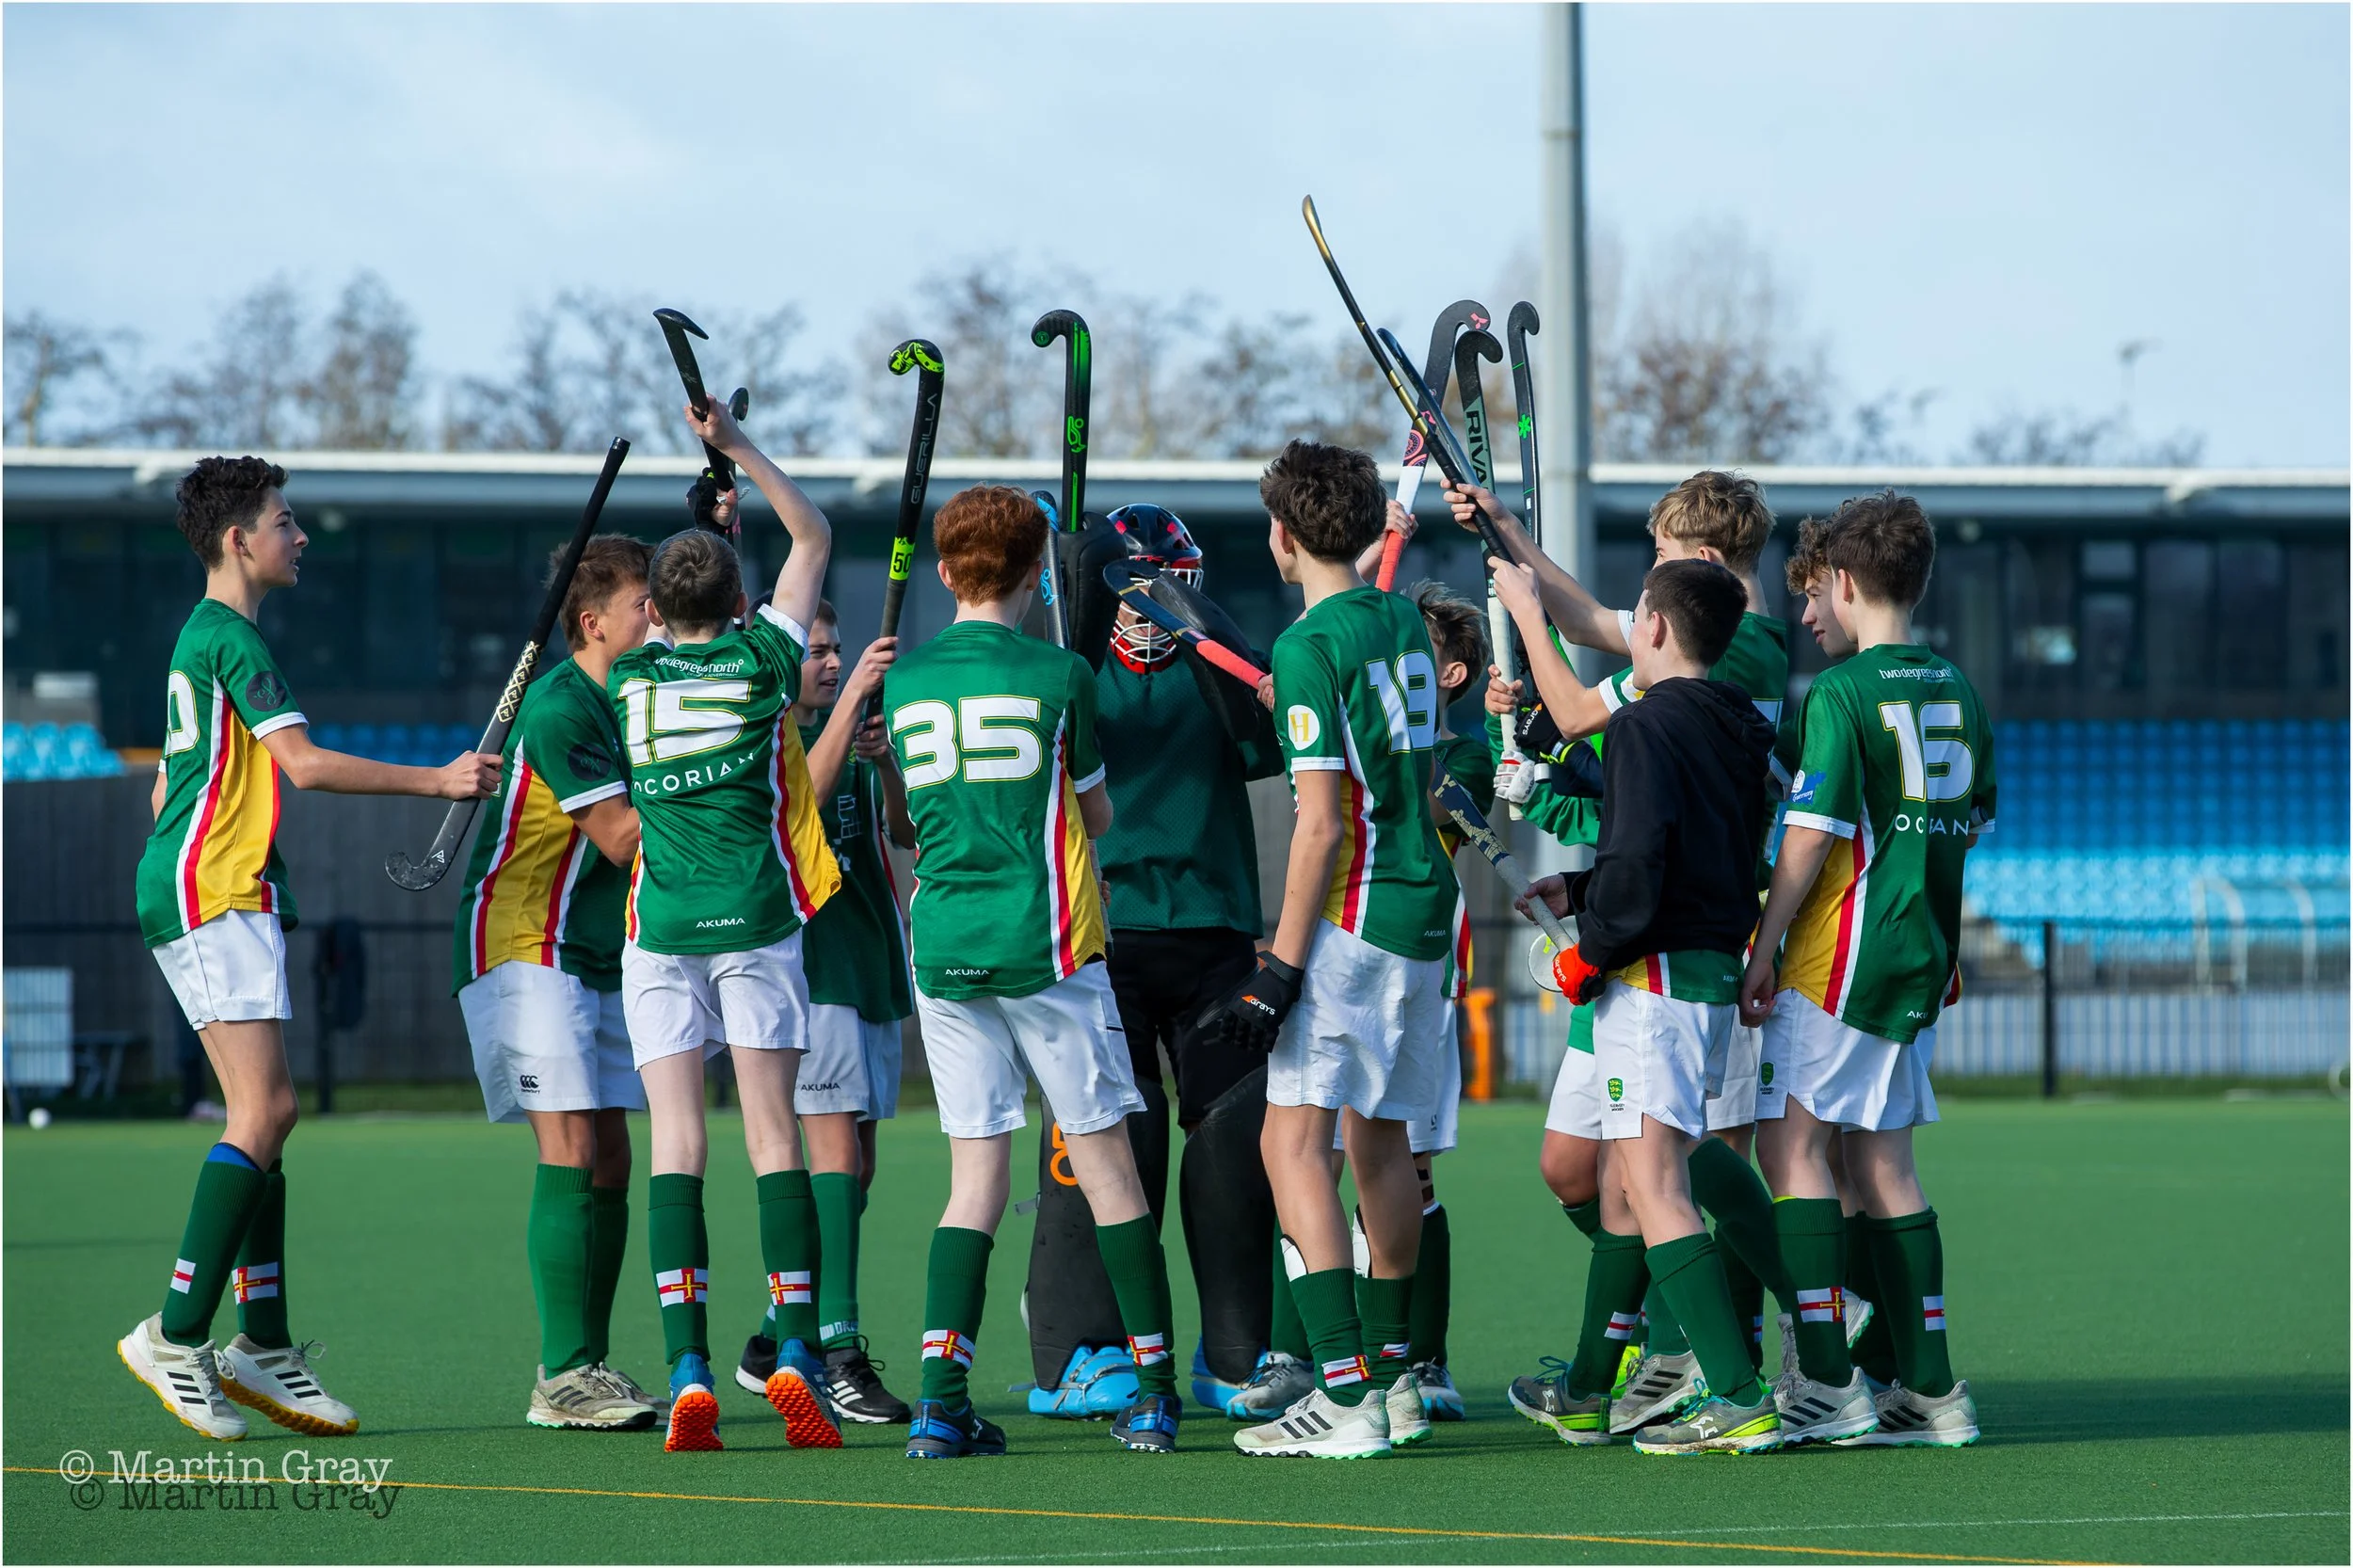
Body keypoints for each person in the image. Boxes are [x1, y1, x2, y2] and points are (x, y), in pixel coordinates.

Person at [121, 456, 499, 1439]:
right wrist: (439, 781)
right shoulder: (233, 641)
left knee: (269, 1118)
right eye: (286, 522)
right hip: (214, 889)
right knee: (269, 1109)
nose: (301, 536)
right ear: (238, 539)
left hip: (212, 883)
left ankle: (266, 1345)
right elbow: (304, 764)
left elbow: (166, 789)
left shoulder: (202, 639)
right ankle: (176, 1333)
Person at [1462, 472, 1798, 1439]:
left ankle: (1738, 1353)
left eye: (1653, 561)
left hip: (1654, 954)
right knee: (1595, 1167)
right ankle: (1622, 1362)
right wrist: (1507, 533)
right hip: (1651, 939)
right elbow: (1586, 675)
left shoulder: (1728, 651)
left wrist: (1527, 620)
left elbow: (1580, 710)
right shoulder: (1689, 656)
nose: (1637, 591)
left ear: (1690, 573)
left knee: (1661, 1175)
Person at [882, 485, 1183, 1459]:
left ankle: (938, 1399)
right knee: (1108, 1170)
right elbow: (1096, 819)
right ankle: (1151, 1391)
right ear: (1033, 574)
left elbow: (903, 818)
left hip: (944, 946)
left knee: (974, 1178)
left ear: (944, 572)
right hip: (1048, 944)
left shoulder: (906, 680)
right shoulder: (1060, 675)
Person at [1201, 440, 1459, 1460]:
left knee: (1289, 1143)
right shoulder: (1398, 616)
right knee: (1382, 1141)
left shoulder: (1307, 647)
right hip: (1424, 912)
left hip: (1351, 921)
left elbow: (1317, 826)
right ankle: (1391, 1381)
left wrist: (1279, 964)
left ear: (1282, 535)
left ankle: (1344, 1392)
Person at [606, 397, 843, 1454]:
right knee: (772, 1137)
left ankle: (690, 1363)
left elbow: (685, 604)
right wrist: (741, 452)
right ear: (744, 600)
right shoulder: (765, 671)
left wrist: (700, 538)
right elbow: (815, 536)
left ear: (651, 610)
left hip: (661, 931)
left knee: (678, 1145)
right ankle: (794, 1350)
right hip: (755, 921)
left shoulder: (627, 681)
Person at [1025, 503, 1291, 1424]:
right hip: (1102, 939)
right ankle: (1080, 1351)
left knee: (1231, 1144)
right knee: (1108, 1142)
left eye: (1166, 584)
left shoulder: (1218, 669)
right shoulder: (1070, 667)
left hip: (1214, 937)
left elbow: (1266, 729)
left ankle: (1237, 1351)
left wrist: (1197, 626)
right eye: (1129, 587)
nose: (1146, 606)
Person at [1740, 492, 1993, 1448]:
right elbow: (1963, 831)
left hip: (1835, 959)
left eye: (1813, 596)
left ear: (1845, 584)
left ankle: (1829, 1382)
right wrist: (1948, 942)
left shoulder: (1841, 696)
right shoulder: (1959, 690)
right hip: (1913, 954)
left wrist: (1761, 951)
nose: (1806, 616)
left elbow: (1806, 843)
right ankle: (1928, 1388)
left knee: (1790, 1151)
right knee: (1882, 1162)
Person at [1530, 557, 1783, 1455]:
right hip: (1707, 970)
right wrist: (1582, 884)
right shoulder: (1737, 723)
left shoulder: (1642, 726)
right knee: (1642, 1190)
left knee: (1654, 1187)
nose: (1629, 625)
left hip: (1655, 981)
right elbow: (1687, 858)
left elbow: (1639, 876)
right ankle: (1593, 1393)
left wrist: (1589, 953)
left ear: (1660, 630)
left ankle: (1740, 1392)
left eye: (1636, 614)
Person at [451, 535, 659, 1432]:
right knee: (571, 1147)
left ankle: (589, 1366)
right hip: (526, 937)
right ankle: (562, 1373)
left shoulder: (639, 696)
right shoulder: (564, 706)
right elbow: (622, 839)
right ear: (593, 622)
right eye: (644, 605)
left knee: (611, 1154)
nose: (657, 617)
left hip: (594, 948)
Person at [732, 600, 915, 1425]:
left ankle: (776, 1336)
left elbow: (905, 829)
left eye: (838, 650)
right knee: (835, 1156)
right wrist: (848, 721)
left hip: (870, 959)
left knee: (860, 1168)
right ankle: (836, 1350)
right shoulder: (768, 732)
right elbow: (800, 797)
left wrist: (887, 765)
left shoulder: (858, 729)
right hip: (812, 968)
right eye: (816, 651)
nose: (833, 663)